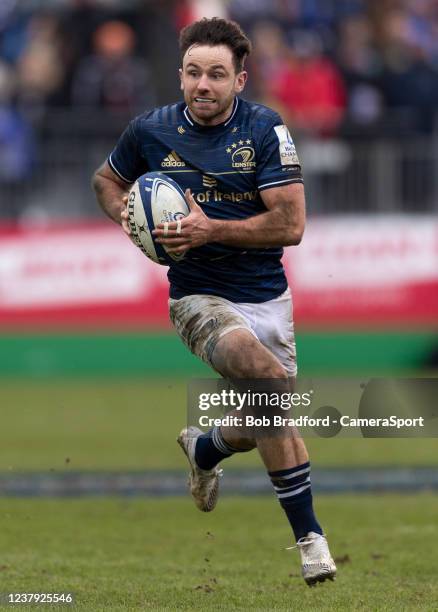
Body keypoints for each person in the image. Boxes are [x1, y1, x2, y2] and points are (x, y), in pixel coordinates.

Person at [92, 17, 336, 587]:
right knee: (267, 380)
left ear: (240, 80)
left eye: (217, 75)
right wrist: (133, 222)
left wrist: (210, 229)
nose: (204, 84)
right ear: (180, 76)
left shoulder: (267, 130)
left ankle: (206, 448)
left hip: (267, 299)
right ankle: (311, 541)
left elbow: (292, 224)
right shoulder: (148, 132)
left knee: (266, 418)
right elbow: (106, 181)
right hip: (198, 298)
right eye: (194, 73)